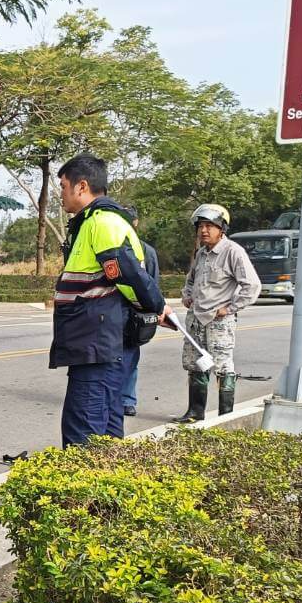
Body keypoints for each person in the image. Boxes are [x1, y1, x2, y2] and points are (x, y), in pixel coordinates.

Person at [50, 154, 167, 447]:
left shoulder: (103, 223)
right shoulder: (90, 222)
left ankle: (81, 492)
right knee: (104, 429)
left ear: (82, 187)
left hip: (98, 343)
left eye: (63, 186)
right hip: (93, 341)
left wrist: (158, 306)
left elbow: (129, 277)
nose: (61, 194)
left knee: (84, 433)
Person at [175, 203, 261, 423]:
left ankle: (226, 417)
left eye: (209, 226)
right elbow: (191, 280)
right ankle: (195, 412)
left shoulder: (233, 252)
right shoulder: (202, 253)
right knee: (195, 365)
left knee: (222, 368)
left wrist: (230, 308)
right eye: (200, 226)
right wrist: (187, 295)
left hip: (219, 322)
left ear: (221, 228)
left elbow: (252, 286)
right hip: (196, 320)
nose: (204, 230)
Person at [120, 206, 162, 418]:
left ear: (135, 223)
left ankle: (127, 400)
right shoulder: (110, 247)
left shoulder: (146, 251)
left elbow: (153, 286)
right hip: (111, 314)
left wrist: (155, 311)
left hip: (135, 316)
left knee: (129, 358)